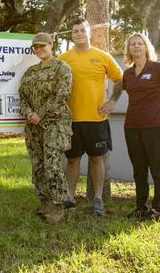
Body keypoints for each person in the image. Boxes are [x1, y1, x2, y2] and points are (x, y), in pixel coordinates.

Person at [58, 18, 123, 216]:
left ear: (89, 33)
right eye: (75, 31)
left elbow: (120, 79)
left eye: (82, 30)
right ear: (72, 35)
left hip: (96, 119)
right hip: (71, 120)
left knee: (97, 160)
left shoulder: (103, 57)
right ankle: (69, 198)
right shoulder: (63, 58)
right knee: (72, 160)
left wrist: (113, 100)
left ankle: (98, 200)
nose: (78, 33)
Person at [122, 33, 160, 221]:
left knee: (158, 169)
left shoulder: (159, 68)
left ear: (146, 47)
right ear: (129, 49)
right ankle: (141, 207)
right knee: (139, 170)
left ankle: (159, 209)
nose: (137, 47)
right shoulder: (128, 73)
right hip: (131, 126)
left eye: (140, 44)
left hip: (155, 126)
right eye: (133, 44)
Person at [19, 32, 73, 223]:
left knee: (52, 165)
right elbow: (22, 97)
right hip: (33, 126)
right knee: (38, 165)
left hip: (54, 124)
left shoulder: (62, 68)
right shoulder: (30, 72)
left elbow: (62, 95)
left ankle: (59, 206)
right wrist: (29, 114)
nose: (39, 49)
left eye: (43, 45)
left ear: (52, 45)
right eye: (36, 47)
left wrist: (40, 113)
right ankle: (45, 202)